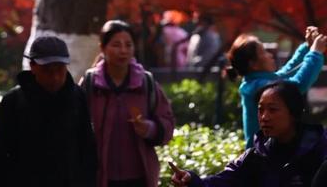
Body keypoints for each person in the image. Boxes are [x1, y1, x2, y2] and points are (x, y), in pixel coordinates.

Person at [0, 34, 97, 187]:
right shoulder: (14, 102)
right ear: (33, 66)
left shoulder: (77, 97)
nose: (55, 77)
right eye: (47, 70)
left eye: (59, 69)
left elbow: (87, 149)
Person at [170, 82, 327, 186]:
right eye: (260, 110)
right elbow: (222, 182)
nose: (264, 117)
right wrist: (191, 179)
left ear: (294, 113)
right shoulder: (255, 156)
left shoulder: (320, 149)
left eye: (272, 110)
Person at [82, 19, 175, 187]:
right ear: (102, 48)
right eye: (116, 45)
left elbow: (167, 123)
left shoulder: (146, 82)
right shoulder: (90, 83)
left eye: (128, 45)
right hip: (99, 175)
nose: (123, 51)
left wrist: (149, 128)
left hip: (139, 176)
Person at [227, 26, 326, 145]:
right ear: (253, 64)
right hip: (262, 156)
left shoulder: (257, 82)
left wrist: (307, 47)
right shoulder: (260, 87)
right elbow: (297, 85)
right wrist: (315, 53)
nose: (270, 55)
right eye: (264, 52)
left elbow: (287, 71)